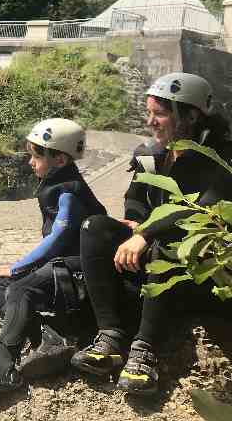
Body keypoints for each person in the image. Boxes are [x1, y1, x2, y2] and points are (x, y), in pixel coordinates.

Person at [71, 72, 232, 395]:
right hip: (157, 252)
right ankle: (111, 338)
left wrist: (145, 233)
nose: (151, 122)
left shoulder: (222, 156)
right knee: (94, 229)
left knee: (167, 239)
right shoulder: (153, 153)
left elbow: (203, 208)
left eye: (159, 114)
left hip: (202, 266)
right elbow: (135, 195)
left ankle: (145, 352)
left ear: (191, 115)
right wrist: (133, 221)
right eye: (149, 113)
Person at [0, 118, 106, 399]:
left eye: (36, 156)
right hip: (63, 269)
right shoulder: (58, 183)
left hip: (80, 271)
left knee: (19, 286)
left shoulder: (69, 191)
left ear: (59, 159)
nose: (30, 163)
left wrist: (18, 267)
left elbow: (57, 239)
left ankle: (2, 369)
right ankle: (51, 336)